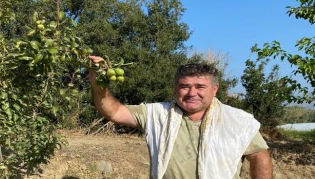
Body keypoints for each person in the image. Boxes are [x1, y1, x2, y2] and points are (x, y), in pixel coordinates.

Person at [88, 56, 273, 179]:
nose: (192, 93)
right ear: (175, 88)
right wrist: (98, 83)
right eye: (185, 86)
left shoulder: (238, 120)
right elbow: (114, 112)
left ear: (215, 89)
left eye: (200, 87)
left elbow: (259, 156)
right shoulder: (157, 113)